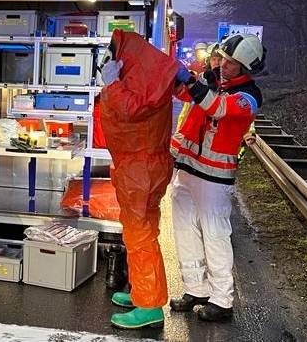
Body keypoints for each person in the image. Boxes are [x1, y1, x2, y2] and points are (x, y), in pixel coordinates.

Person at [169, 33, 265, 322]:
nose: (224, 64)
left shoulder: (249, 96)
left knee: (215, 234)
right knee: (185, 229)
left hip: (215, 177)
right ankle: (195, 288)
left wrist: (192, 81)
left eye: (232, 63)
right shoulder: (212, 80)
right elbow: (183, 94)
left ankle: (222, 300)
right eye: (222, 58)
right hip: (188, 169)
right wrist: (174, 75)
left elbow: (217, 108)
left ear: (245, 69)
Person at [98, 29, 188, 329]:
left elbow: (128, 109)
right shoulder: (151, 75)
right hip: (144, 167)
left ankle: (149, 306)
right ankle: (142, 291)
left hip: (140, 169)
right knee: (141, 233)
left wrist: (111, 83)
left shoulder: (143, 81)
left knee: (140, 237)